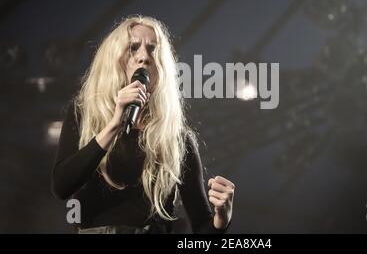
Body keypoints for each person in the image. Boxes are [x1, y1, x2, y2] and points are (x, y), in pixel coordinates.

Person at [52, 15, 234, 234]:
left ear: (161, 67)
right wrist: (114, 125)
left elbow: (202, 228)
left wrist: (221, 219)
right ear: (113, 59)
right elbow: (62, 186)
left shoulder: (176, 139)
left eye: (152, 50)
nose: (143, 58)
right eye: (133, 47)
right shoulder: (84, 114)